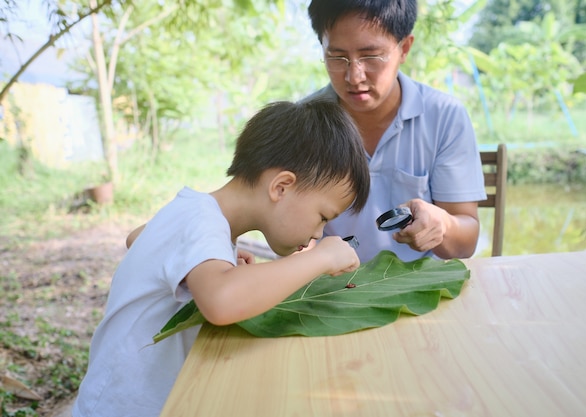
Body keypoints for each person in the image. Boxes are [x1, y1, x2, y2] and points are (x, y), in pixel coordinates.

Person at [71, 99, 370, 417]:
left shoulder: (198, 215)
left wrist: (208, 259)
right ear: (281, 186)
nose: (319, 233)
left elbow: (138, 238)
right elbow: (222, 302)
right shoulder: (201, 220)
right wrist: (320, 259)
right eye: (323, 216)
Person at [304, 0, 487, 262]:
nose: (354, 76)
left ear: (405, 48)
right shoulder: (303, 124)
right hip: (333, 290)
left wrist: (442, 226)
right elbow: (294, 241)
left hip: (421, 288)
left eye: (371, 56)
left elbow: (465, 244)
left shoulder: (444, 116)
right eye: (337, 57)